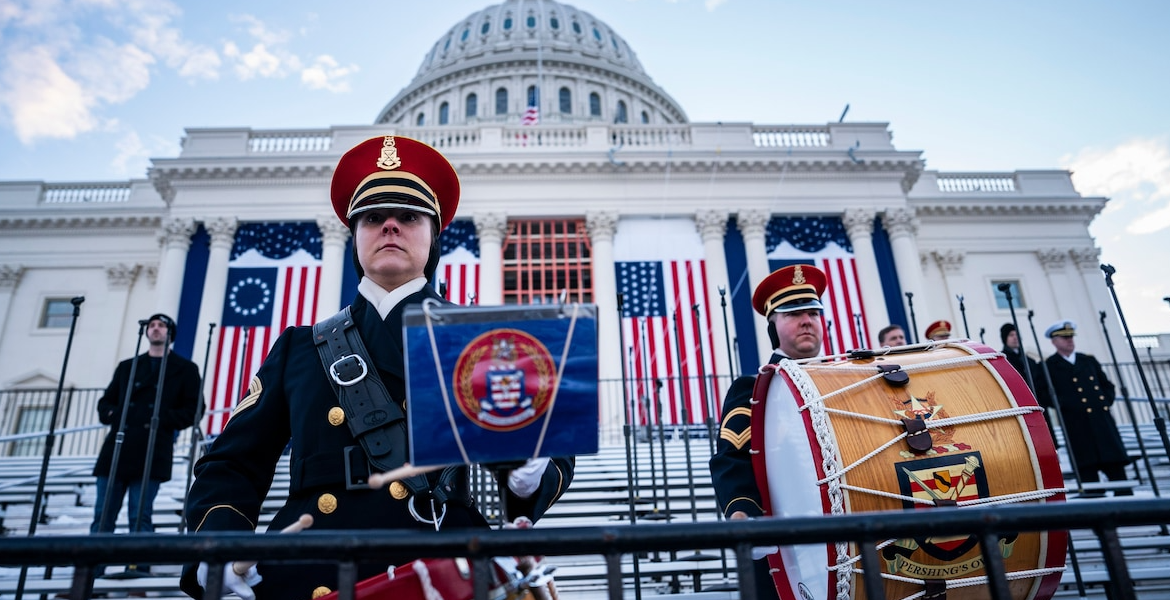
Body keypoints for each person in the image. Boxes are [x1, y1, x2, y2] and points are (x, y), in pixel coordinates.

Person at [180, 136, 575, 600]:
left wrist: (528, 466)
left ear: (433, 236)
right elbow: (231, 463)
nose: (390, 225)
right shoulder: (300, 348)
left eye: (408, 217)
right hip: (314, 568)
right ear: (356, 237)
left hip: (444, 565)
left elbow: (540, 477)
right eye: (372, 217)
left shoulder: (481, 344)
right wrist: (222, 545)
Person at [709, 263, 827, 600]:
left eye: (813, 313)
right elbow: (732, 461)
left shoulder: (843, 384)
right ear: (773, 328)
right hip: (788, 553)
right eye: (793, 313)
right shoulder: (755, 390)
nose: (807, 320)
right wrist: (743, 512)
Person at [91, 313, 201, 569]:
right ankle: (90, 575)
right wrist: (116, 414)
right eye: (152, 325)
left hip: (152, 449)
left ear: (169, 334)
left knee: (139, 516)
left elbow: (194, 409)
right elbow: (105, 403)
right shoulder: (128, 367)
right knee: (102, 517)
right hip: (116, 449)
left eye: (161, 326)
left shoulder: (185, 369)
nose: (155, 329)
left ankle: (137, 573)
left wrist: (161, 419)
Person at [1043, 320, 1132, 497]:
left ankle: (1127, 512)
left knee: (1117, 474)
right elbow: (1044, 393)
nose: (1069, 340)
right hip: (1077, 426)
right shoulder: (1049, 366)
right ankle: (1099, 519)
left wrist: (1104, 403)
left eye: (1070, 337)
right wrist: (1064, 404)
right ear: (1054, 341)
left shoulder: (1088, 360)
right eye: (1064, 337)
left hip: (1102, 423)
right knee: (1089, 479)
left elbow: (1107, 386)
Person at [1000, 322, 1056, 442]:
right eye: (1011, 335)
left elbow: (1040, 385)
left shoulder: (1030, 361)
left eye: (1017, 334)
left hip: (1038, 408)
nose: (1015, 337)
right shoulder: (1003, 362)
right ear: (1005, 338)